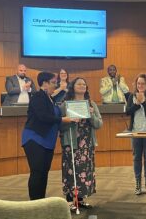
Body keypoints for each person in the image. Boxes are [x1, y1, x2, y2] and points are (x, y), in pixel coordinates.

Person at [21, 72, 74, 200]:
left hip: (47, 141)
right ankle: (35, 204)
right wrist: (62, 120)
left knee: (43, 173)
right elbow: (43, 116)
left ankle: (41, 201)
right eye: (53, 82)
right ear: (44, 83)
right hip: (35, 139)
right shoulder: (38, 96)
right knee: (37, 172)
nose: (55, 85)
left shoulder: (51, 98)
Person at [60, 77, 103, 211]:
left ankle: (80, 199)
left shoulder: (91, 104)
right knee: (71, 170)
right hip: (71, 143)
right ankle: (69, 201)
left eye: (84, 84)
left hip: (86, 144)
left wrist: (91, 115)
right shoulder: (65, 104)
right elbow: (59, 125)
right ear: (73, 87)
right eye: (79, 83)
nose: (82, 85)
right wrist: (70, 120)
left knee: (84, 171)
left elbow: (99, 124)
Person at [126, 73, 146, 195]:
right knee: (136, 157)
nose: (140, 85)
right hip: (135, 131)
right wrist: (136, 104)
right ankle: (138, 184)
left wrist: (144, 102)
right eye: (138, 83)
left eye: (143, 83)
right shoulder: (131, 96)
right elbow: (128, 112)